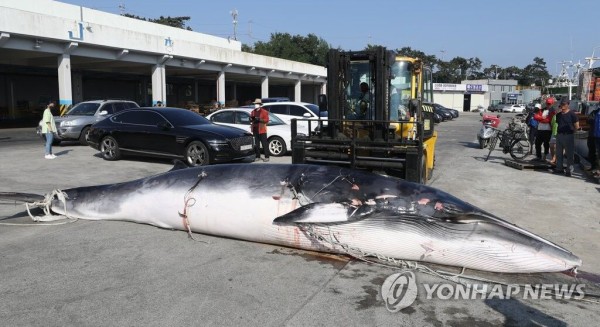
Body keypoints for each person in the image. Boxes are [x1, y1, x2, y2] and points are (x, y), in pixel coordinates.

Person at [553, 99, 580, 177]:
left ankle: (569, 170)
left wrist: (572, 133)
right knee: (558, 153)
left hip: (569, 135)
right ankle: (559, 168)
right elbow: (558, 123)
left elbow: (577, 126)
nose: (562, 106)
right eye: (561, 104)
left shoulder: (572, 114)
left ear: (568, 105)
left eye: (564, 104)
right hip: (559, 135)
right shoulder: (558, 115)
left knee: (569, 154)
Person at [250, 98, 270, 162]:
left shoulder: (264, 112)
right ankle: (257, 156)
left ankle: (267, 156)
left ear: (260, 105)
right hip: (255, 130)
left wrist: (259, 119)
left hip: (262, 130)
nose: (255, 105)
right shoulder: (253, 112)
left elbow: (267, 120)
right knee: (257, 144)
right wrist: (251, 119)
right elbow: (251, 119)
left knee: (264, 144)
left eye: (257, 104)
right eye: (255, 104)